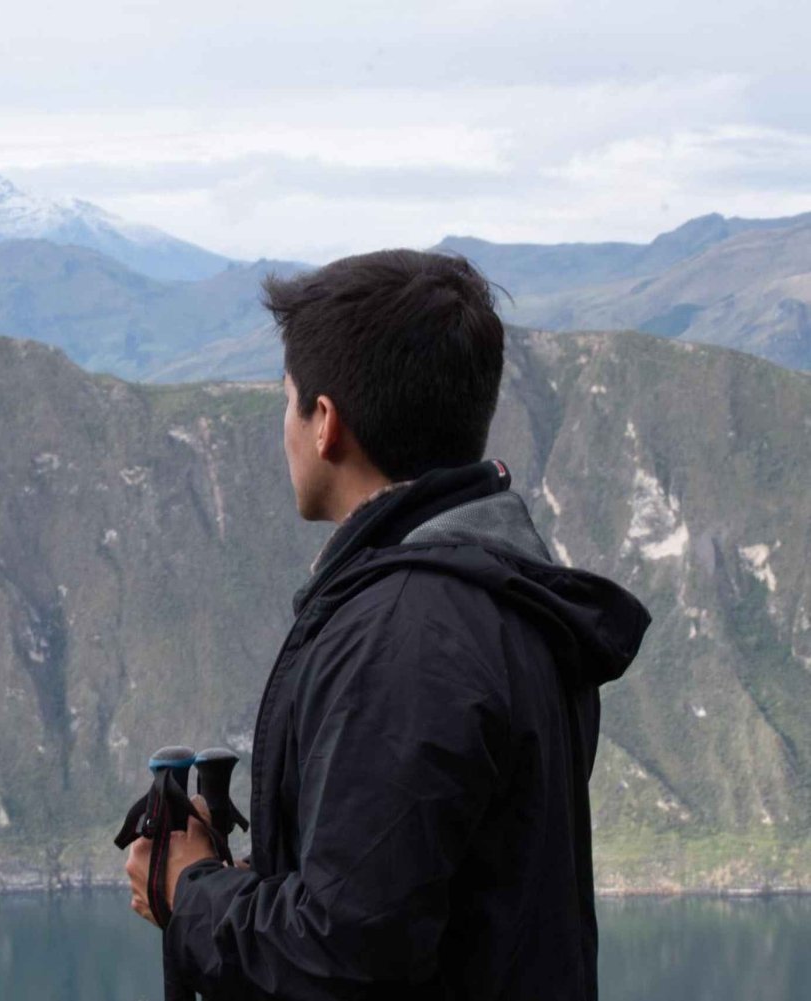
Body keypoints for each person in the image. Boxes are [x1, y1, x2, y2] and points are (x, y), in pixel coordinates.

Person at [124, 249, 652, 1000]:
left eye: (289, 402)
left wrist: (193, 893)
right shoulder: (501, 590)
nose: (285, 426)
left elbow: (347, 954)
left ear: (325, 423)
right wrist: (248, 885)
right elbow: (417, 897)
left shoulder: (405, 637)